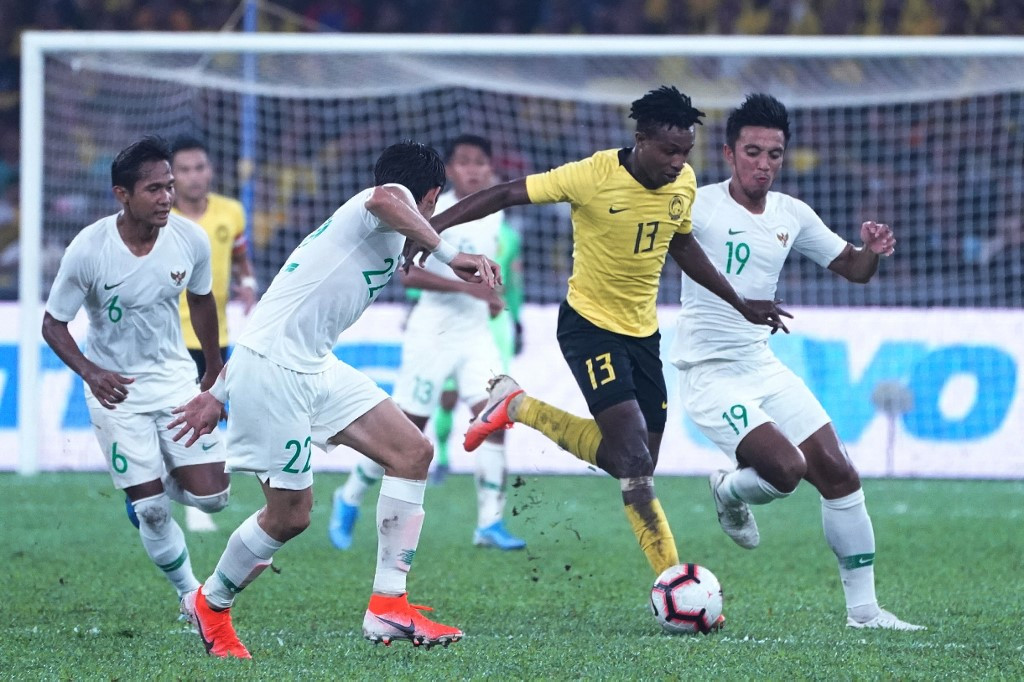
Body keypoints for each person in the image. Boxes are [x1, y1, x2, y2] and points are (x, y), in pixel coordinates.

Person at [408, 86, 788, 588]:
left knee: (632, 460)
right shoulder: (591, 175)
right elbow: (504, 194)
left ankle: (518, 406)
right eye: (669, 151)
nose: (678, 163)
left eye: (686, 152)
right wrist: (429, 229)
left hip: (643, 334)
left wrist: (740, 302)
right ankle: (673, 582)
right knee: (635, 462)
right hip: (589, 327)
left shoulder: (683, 182)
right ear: (641, 139)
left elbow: (681, 244)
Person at [167, 141, 499, 658]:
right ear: (430, 194)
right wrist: (451, 254)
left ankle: (388, 604)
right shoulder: (379, 202)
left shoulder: (390, 230)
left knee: (412, 452)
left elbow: (283, 306)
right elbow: (386, 198)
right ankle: (210, 602)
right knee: (290, 516)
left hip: (313, 364)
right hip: (275, 371)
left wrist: (218, 390)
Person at [667, 93, 924, 631]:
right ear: (729, 153)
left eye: (774, 154)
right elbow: (670, 248)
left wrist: (872, 250)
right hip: (709, 374)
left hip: (761, 365)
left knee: (840, 473)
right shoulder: (697, 203)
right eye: (753, 152)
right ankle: (728, 491)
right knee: (786, 470)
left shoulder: (792, 214)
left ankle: (865, 612)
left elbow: (853, 269)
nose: (764, 164)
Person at [41, 135, 231, 612]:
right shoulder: (89, 249)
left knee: (215, 499)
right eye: (154, 189)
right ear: (122, 195)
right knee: (152, 511)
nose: (167, 197)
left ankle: (150, 479)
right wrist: (90, 372)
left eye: (169, 186)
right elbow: (53, 324)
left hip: (173, 380)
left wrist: (213, 369)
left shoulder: (190, 238)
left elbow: (201, 300)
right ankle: (191, 596)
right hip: (115, 390)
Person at [330, 134, 526, 552]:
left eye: (480, 162)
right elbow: (408, 274)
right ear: (450, 170)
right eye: (464, 162)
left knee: (496, 417)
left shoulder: (495, 218)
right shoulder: (432, 212)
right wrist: (470, 289)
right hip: (432, 332)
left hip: (476, 333)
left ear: (491, 169)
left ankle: (489, 522)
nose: (472, 169)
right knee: (407, 432)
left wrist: (494, 297)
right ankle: (349, 495)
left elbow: (493, 273)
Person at [169, 135, 259, 533]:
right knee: (177, 416)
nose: (193, 176)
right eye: (184, 170)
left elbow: (240, 255)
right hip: (169, 336)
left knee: (210, 414)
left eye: (199, 167)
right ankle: (185, 495)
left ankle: (198, 490)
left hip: (213, 334)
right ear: (172, 176)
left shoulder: (231, 212)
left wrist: (248, 283)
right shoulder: (162, 217)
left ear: (211, 171)